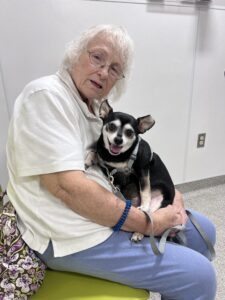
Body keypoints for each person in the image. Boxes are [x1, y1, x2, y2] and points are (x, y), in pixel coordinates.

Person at [6, 24, 216, 300]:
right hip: (70, 235)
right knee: (199, 277)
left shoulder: (94, 109)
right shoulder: (47, 96)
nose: (104, 72)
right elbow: (68, 188)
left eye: (115, 68)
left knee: (204, 232)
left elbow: (132, 168)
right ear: (75, 54)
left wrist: (171, 195)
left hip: (103, 216)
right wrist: (147, 222)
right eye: (97, 58)